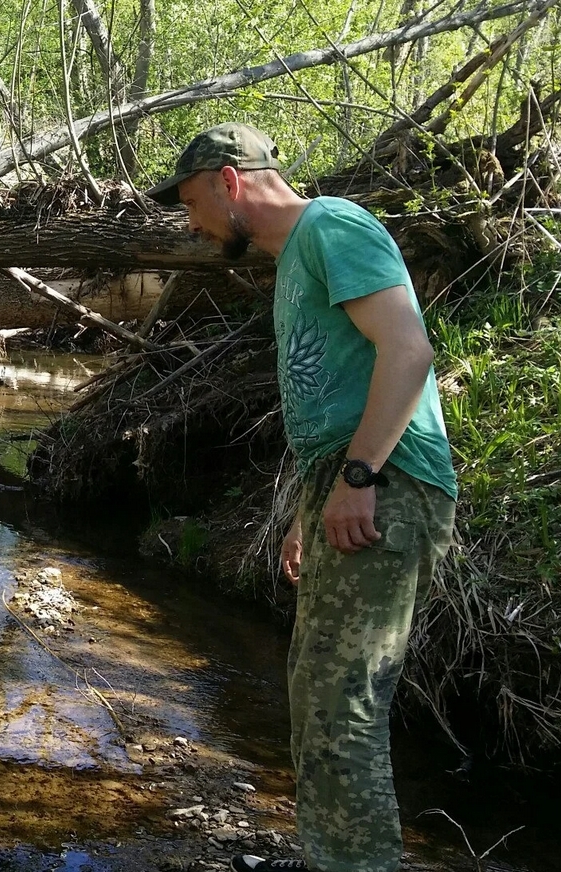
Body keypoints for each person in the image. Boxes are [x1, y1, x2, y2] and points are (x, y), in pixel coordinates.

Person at [145, 124, 458, 872]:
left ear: (228, 180)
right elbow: (331, 402)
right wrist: (303, 513)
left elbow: (408, 350)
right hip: (345, 483)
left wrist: (359, 480)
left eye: (191, 203)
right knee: (318, 695)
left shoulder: (332, 227)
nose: (192, 224)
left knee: (340, 704)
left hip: (388, 483)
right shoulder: (290, 262)